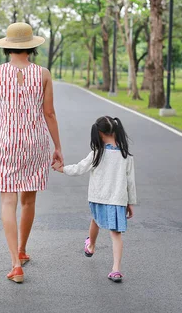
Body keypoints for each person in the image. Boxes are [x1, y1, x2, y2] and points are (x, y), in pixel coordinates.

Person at [0, 22, 63, 284]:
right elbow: (49, 113)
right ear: (32, 46)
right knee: (28, 201)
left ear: (7, 47)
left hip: (5, 142)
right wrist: (57, 146)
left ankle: (15, 264)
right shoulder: (44, 74)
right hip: (35, 142)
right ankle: (23, 249)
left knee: (8, 202)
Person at [53, 116, 136, 282]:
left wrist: (62, 169)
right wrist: (130, 202)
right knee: (116, 234)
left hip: (98, 197)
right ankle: (116, 269)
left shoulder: (97, 153)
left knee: (96, 220)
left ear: (99, 133)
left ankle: (91, 245)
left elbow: (79, 168)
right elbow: (130, 182)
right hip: (117, 199)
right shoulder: (126, 156)